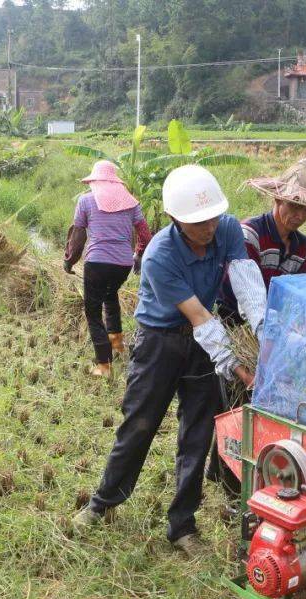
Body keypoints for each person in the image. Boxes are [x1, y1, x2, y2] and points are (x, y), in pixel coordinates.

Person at [71, 165, 267, 557]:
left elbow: (247, 284)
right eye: (198, 223)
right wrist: (239, 367)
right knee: (139, 424)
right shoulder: (160, 254)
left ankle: (182, 526)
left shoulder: (226, 228)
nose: (208, 228)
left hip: (199, 347)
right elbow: (199, 317)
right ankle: (103, 503)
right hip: (158, 343)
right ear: (176, 219)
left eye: (212, 217)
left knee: (196, 433)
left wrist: (266, 336)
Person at [208, 158, 306, 504]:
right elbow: (245, 293)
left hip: (278, 333)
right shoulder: (249, 234)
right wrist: (267, 334)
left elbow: (305, 293)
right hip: (237, 327)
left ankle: (228, 467)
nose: (298, 215)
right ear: (277, 200)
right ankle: (229, 485)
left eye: (305, 209)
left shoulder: (303, 247)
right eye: (293, 206)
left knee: (256, 405)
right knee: (236, 403)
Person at [64, 160, 153, 376]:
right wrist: (138, 254)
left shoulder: (85, 201)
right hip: (123, 264)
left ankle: (104, 365)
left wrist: (69, 260)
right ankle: (116, 341)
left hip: (97, 264)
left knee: (93, 312)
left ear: (95, 181)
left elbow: (78, 237)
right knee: (110, 295)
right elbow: (145, 235)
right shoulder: (132, 203)